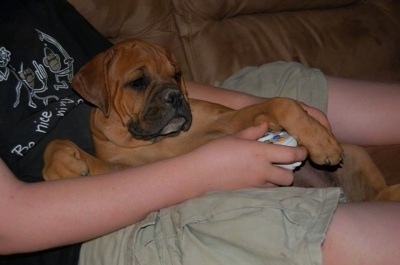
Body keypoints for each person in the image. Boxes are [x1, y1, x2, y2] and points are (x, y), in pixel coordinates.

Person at [1, 0, 400, 265]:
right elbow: (12, 223)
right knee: (286, 231)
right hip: (91, 220)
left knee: (286, 85)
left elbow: (128, 64)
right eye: (138, 85)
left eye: (173, 79)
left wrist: (257, 106)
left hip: (192, 132)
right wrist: (202, 172)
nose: (171, 93)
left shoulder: (34, 5)